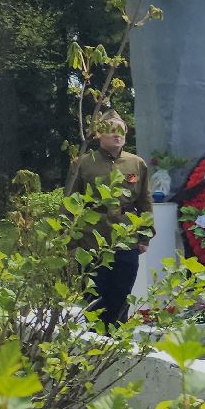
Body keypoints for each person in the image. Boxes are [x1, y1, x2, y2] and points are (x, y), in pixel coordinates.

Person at [67, 112, 155, 327]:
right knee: (94, 296)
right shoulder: (83, 164)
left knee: (122, 294)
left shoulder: (136, 163)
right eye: (110, 130)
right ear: (98, 134)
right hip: (92, 241)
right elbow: (70, 202)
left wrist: (144, 236)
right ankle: (95, 344)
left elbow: (145, 201)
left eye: (121, 131)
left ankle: (116, 341)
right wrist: (70, 243)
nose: (117, 135)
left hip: (126, 240)